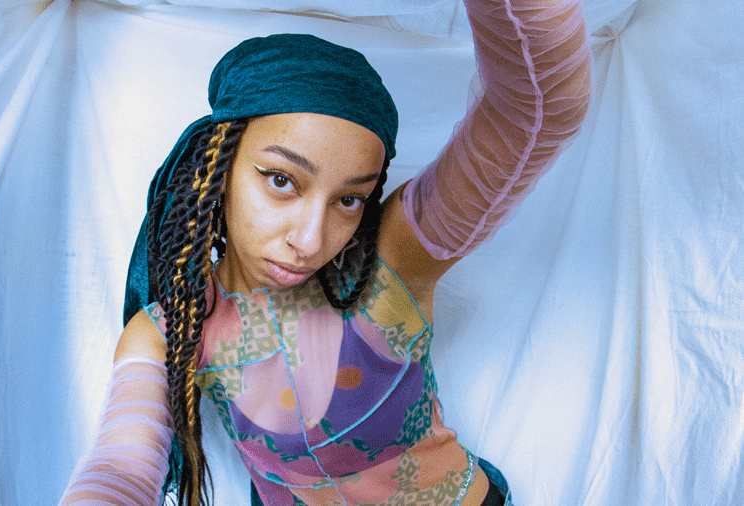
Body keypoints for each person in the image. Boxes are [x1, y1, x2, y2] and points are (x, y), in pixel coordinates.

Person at [59, 0, 591, 505]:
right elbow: (122, 466)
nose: (311, 240)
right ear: (218, 169)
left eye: (348, 199)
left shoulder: (393, 259)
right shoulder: (173, 327)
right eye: (281, 180)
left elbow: (537, 111)